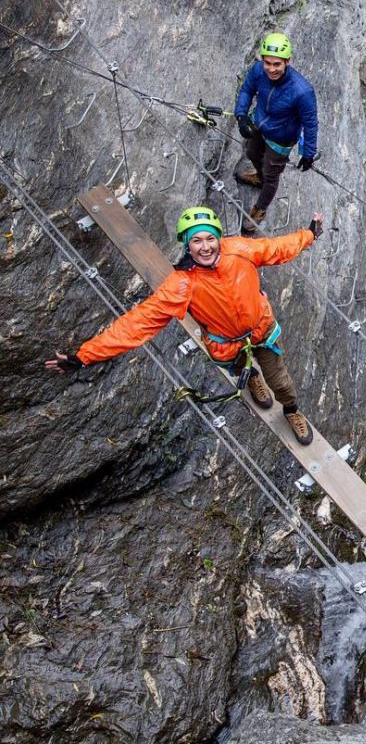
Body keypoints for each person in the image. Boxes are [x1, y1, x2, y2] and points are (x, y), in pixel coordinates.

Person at [45, 206, 324, 446]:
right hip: (227, 345)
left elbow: (277, 247)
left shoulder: (240, 249)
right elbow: (137, 324)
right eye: (197, 241)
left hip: (261, 331)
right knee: (242, 369)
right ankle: (251, 379)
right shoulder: (183, 284)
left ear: (219, 238)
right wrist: (84, 357)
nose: (205, 247)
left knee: (281, 381)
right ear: (187, 246)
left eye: (210, 238)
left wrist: (309, 234)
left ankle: (291, 410)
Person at [234, 33, 319, 235]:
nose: (271, 69)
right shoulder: (258, 71)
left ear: (287, 62)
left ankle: (260, 208)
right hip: (260, 125)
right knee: (252, 154)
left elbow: (310, 123)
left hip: (281, 138)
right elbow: (247, 90)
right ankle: (259, 177)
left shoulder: (302, 91)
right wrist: (241, 116)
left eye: (277, 64)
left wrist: (308, 154)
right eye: (268, 63)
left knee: (272, 175)